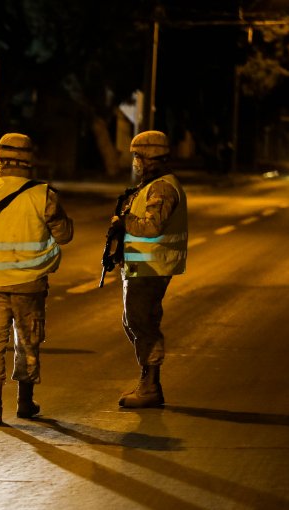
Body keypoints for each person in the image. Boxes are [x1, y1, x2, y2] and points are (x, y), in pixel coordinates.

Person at [0, 133, 74, 424]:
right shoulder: (43, 194)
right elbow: (65, 235)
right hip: (29, 284)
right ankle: (24, 402)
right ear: (29, 160)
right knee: (27, 342)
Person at [113, 130, 188, 408]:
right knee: (133, 320)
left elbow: (153, 226)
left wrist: (124, 222)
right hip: (143, 265)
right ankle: (148, 381)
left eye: (137, 156)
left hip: (152, 266)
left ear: (149, 158)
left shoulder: (162, 188)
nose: (135, 162)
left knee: (142, 322)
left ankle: (150, 386)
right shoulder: (152, 184)